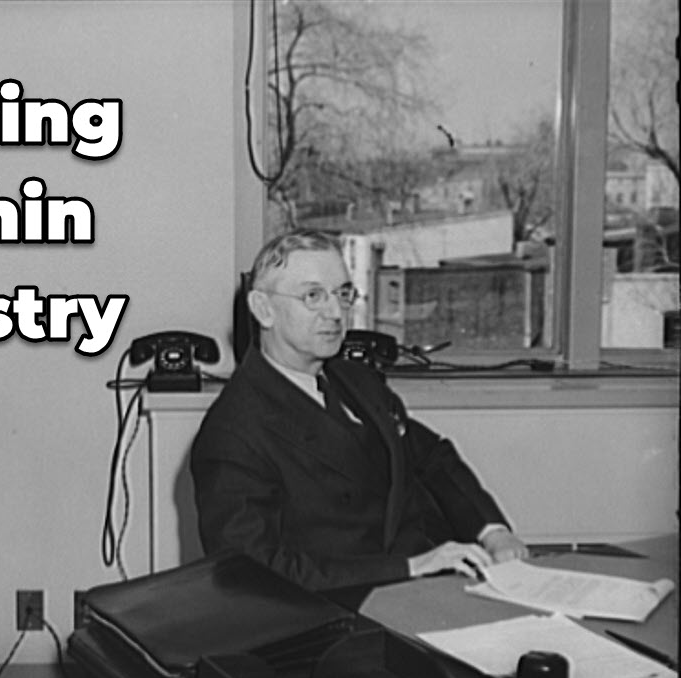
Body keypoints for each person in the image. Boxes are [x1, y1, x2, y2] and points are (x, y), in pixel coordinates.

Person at [190, 230, 527, 594]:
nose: (336, 313)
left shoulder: (357, 381)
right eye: (313, 296)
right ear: (263, 309)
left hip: (428, 582)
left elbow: (432, 457)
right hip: (337, 616)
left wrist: (493, 533)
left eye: (343, 294)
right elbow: (254, 571)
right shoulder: (232, 431)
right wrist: (410, 568)